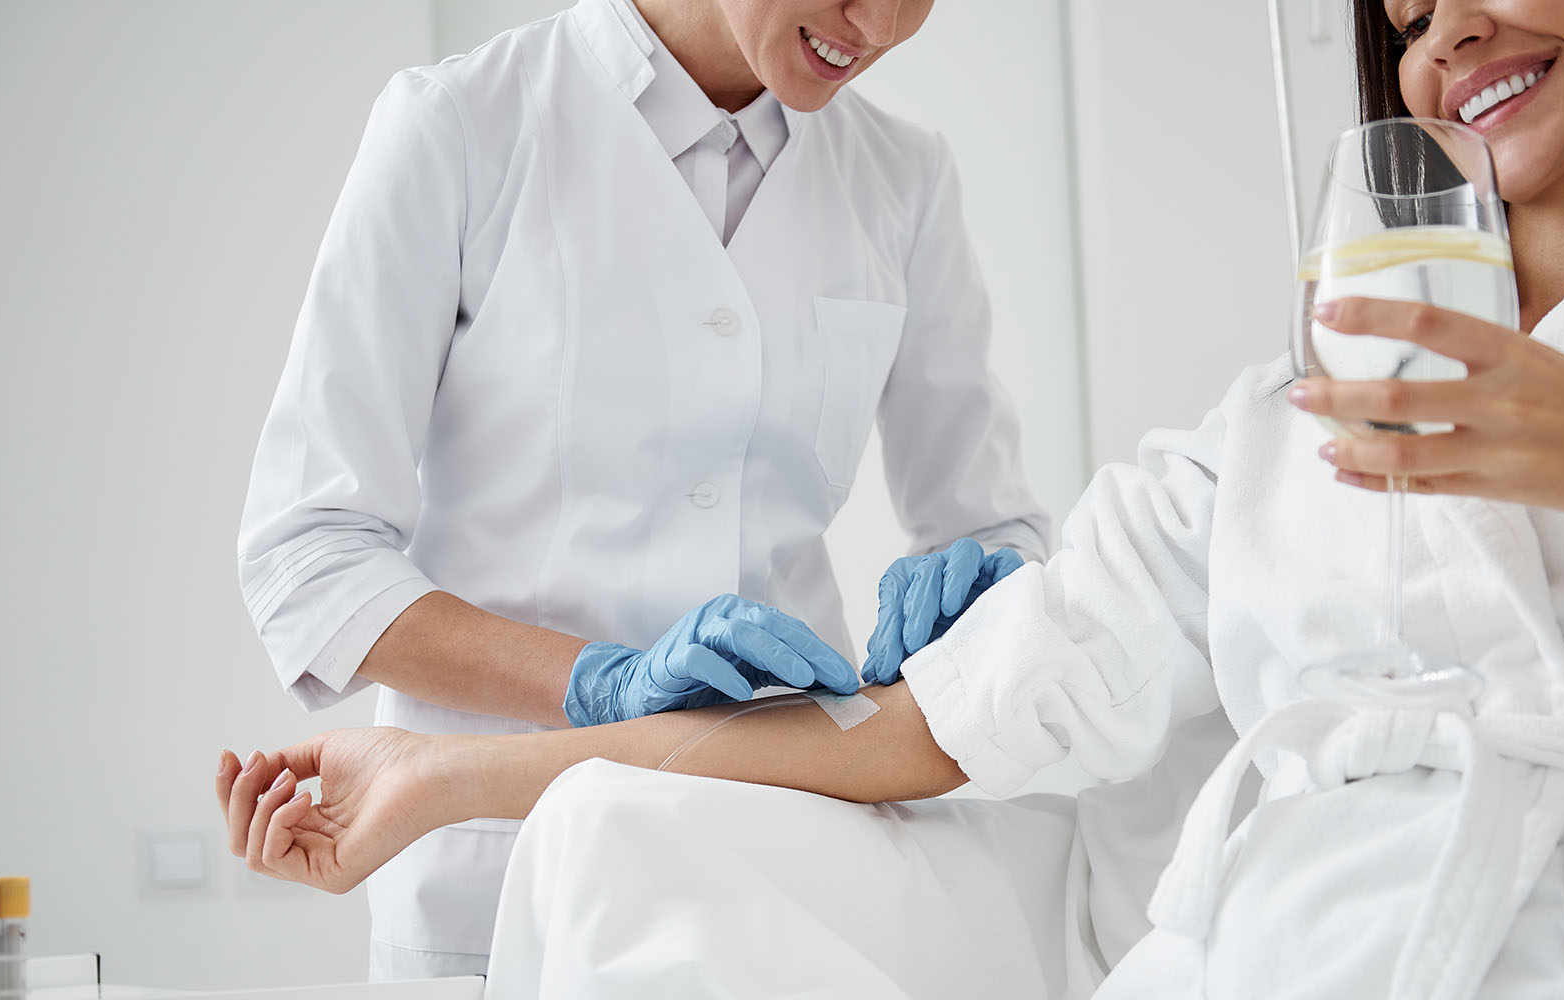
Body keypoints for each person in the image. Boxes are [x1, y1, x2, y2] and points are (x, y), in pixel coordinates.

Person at [221, 0, 1564, 995]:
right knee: (630, 848)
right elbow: (933, 713)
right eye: (1404, 13)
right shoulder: (1281, 418)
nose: (1439, 36)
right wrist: (450, 772)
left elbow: (982, 530)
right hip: (1293, 941)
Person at [232, 0, 1052, 979]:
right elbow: (310, 552)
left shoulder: (901, 180)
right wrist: (598, 683)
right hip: (497, 879)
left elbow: (987, 519)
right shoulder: (461, 124)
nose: (875, 20)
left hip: (791, 865)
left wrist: (984, 585)